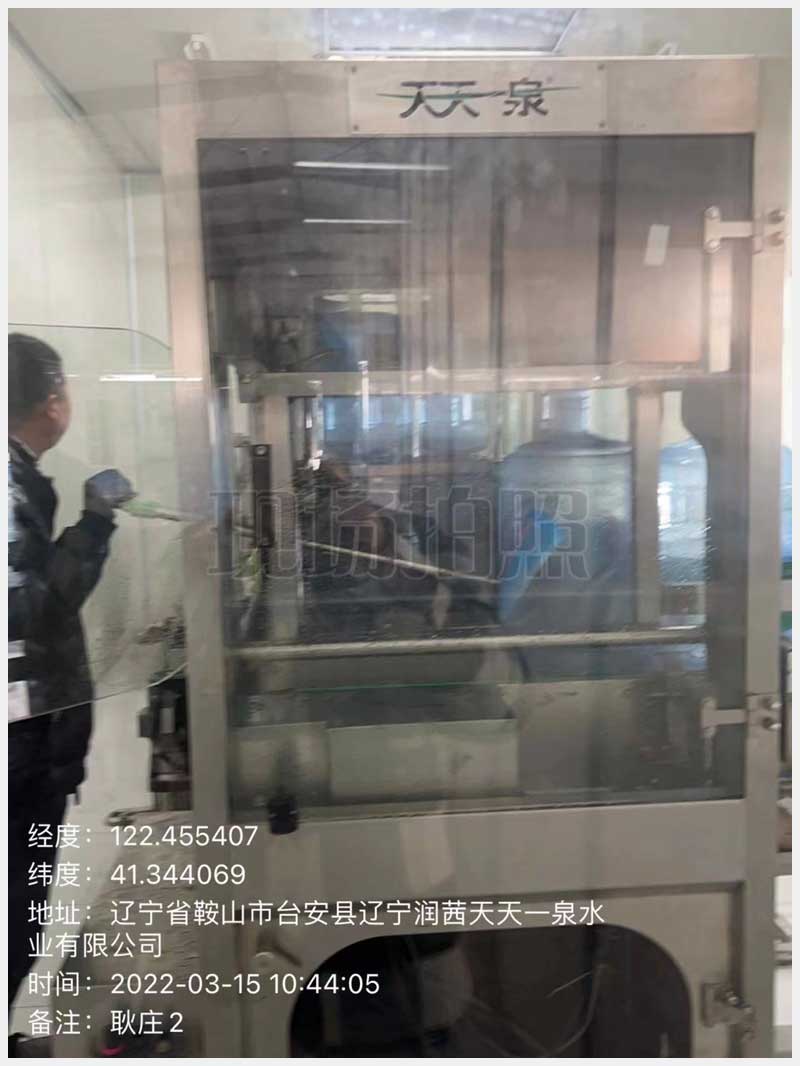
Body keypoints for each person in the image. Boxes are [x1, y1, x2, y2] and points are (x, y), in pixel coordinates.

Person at [8, 334, 134, 1053]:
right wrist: (95, 522)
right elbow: (33, 610)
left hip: (28, 740)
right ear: (53, 401)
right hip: (20, 746)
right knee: (17, 910)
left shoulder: (20, 477)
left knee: (21, 909)